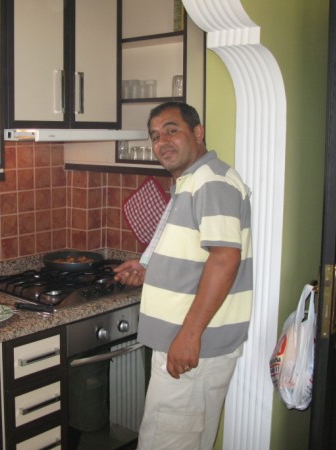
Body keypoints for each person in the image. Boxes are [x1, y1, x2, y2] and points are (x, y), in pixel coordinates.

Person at [114, 102, 252, 449]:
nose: (162, 142)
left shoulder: (211, 182)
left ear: (198, 132)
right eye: (155, 136)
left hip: (192, 346)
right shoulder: (191, 181)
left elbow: (224, 260)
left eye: (171, 131)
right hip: (187, 344)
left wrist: (189, 336)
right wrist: (149, 269)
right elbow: (200, 256)